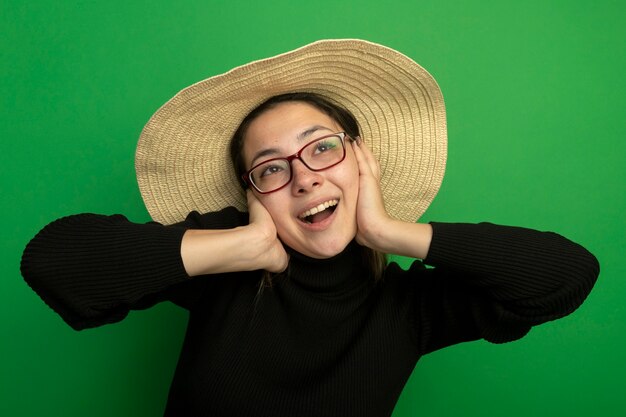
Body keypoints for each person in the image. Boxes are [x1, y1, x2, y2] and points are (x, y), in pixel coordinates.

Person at [20, 40, 599, 417]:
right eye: (271, 168)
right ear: (254, 198)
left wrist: (387, 231)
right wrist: (244, 245)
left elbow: (566, 274)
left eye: (323, 148)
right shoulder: (225, 264)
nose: (303, 178)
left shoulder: (410, 305)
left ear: (362, 162)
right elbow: (53, 262)